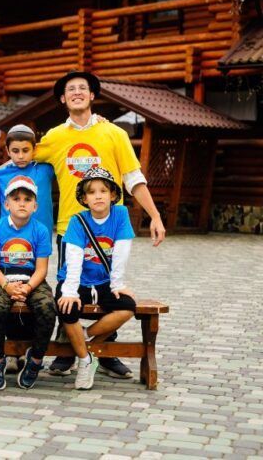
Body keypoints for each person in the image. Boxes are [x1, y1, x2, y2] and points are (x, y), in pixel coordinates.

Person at [37, 71, 165, 378]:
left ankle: (104, 351)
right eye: (71, 89)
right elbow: (24, 157)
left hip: (109, 228)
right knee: (69, 287)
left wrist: (155, 215)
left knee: (111, 287)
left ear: (92, 95)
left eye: (83, 88)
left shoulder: (114, 134)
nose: (77, 92)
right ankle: (67, 350)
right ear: (63, 99)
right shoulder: (54, 137)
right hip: (70, 227)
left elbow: (133, 178)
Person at [56, 167, 137, 390]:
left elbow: (121, 251)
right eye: (92, 192)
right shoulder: (77, 221)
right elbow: (74, 258)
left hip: (104, 281)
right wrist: (70, 291)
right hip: (78, 280)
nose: (98, 196)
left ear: (113, 195)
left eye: (103, 191)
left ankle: (84, 337)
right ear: (84, 198)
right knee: (66, 307)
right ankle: (85, 360)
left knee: (128, 307)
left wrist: (117, 284)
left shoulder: (120, 215)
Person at [0, 124, 56, 373]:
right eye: (15, 151)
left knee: (36, 298)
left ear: (34, 150)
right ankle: (10, 351)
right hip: (7, 247)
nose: (20, 156)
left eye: (25, 150)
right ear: (8, 150)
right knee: (5, 300)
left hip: (37, 244)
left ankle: (28, 347)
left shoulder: (45, 169)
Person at [0, 177, 54, 391]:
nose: (22, 203)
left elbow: (41, 268)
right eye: (16, 199)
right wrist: (7, 286)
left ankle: (35, 360)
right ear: (7, 204)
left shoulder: (40, 230)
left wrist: (28, 287)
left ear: (35, 206)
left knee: (47, 308)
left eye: (27, 199)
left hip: (32, 279)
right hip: (2, 278)